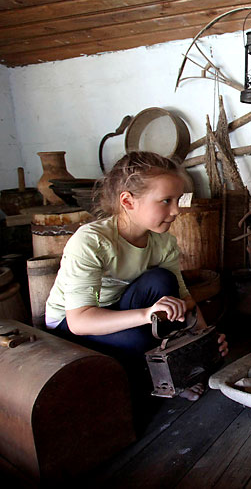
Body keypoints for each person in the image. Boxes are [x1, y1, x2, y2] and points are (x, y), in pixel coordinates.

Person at [45, 151, 228, 400]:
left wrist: (206, 340)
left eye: (178, 200)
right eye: (166, 201)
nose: (176, 211)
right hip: (73, 322)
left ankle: (172, 374)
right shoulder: (92, 241)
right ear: (128, 201)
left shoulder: (163, 242)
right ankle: (155, 382)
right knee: (139, 338)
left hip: (121, 307)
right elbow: (80, 321)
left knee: (162, 280)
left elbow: (185, 299)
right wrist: (145, 314)